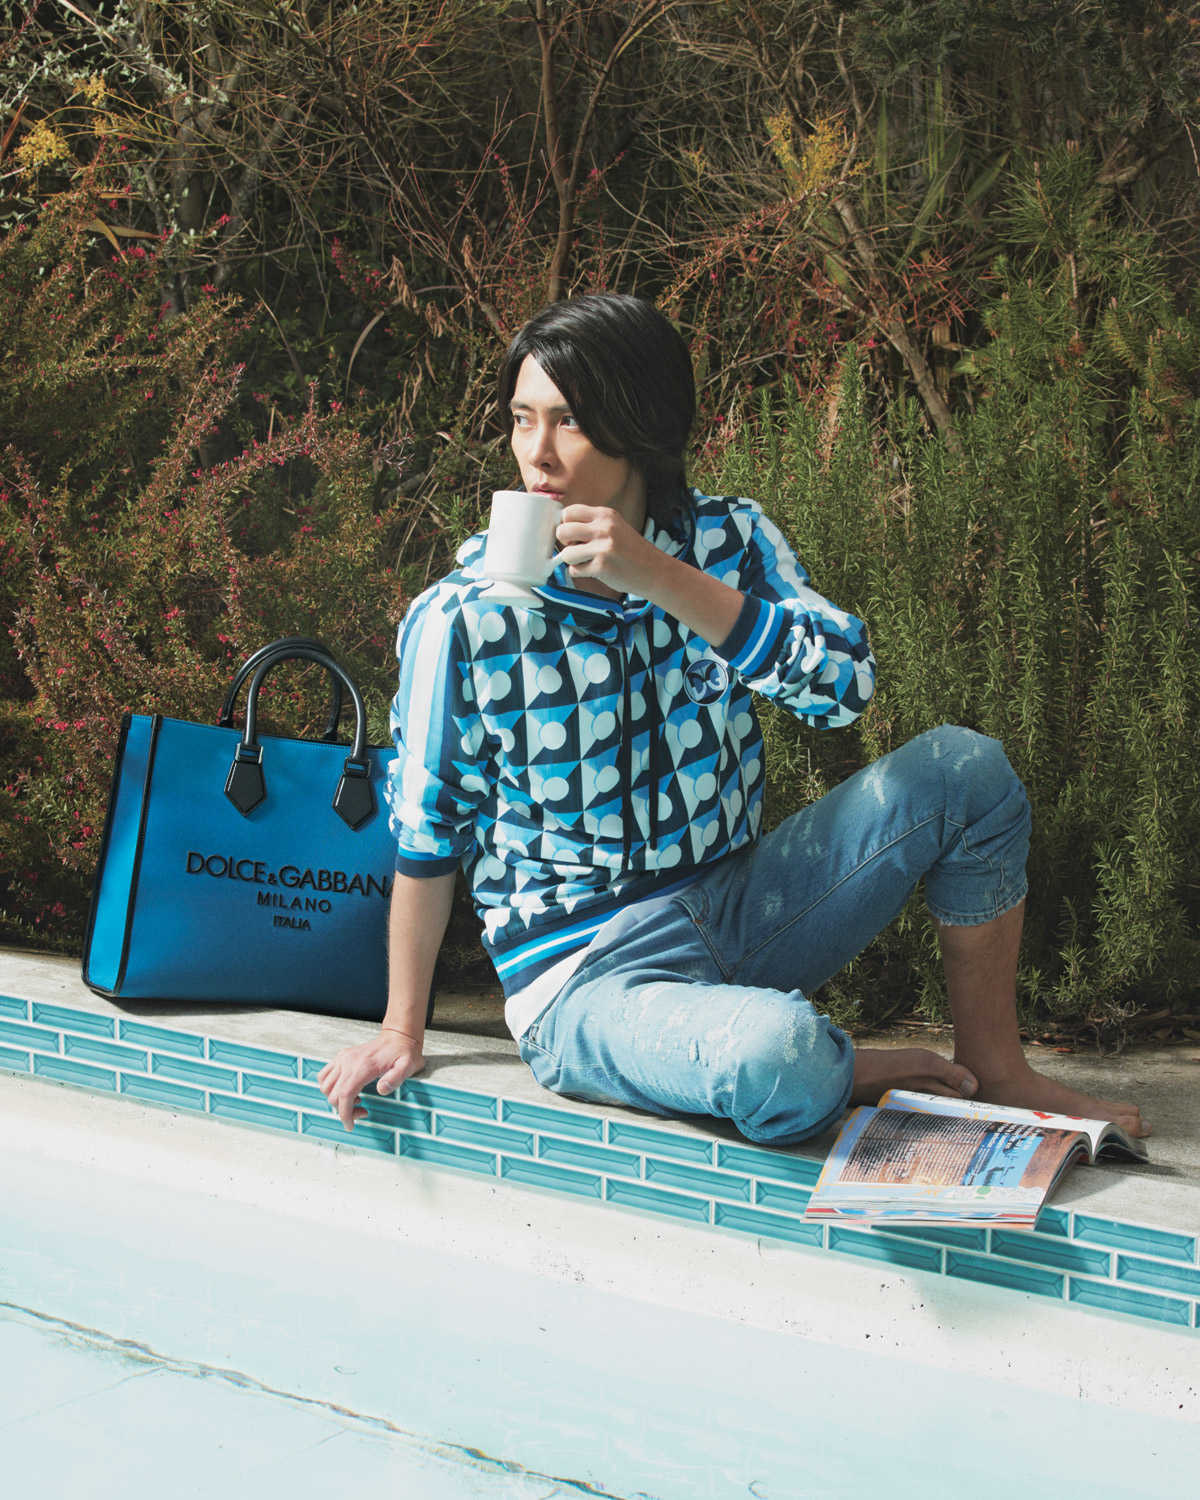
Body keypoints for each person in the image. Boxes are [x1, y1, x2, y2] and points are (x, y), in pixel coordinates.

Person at [318, 293, 1147, 1145]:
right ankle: (839, 1067)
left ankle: (995, 1069)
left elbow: (844, 687)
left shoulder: (729, 540)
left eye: (570, 421)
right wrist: (400, 1030)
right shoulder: (465, 617)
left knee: (964, 772)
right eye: (522, 419)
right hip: (584, 979)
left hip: (743, 909)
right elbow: (427, 834)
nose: (537, 452)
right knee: (778, 1055)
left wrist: (660, 576)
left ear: (639, 421)